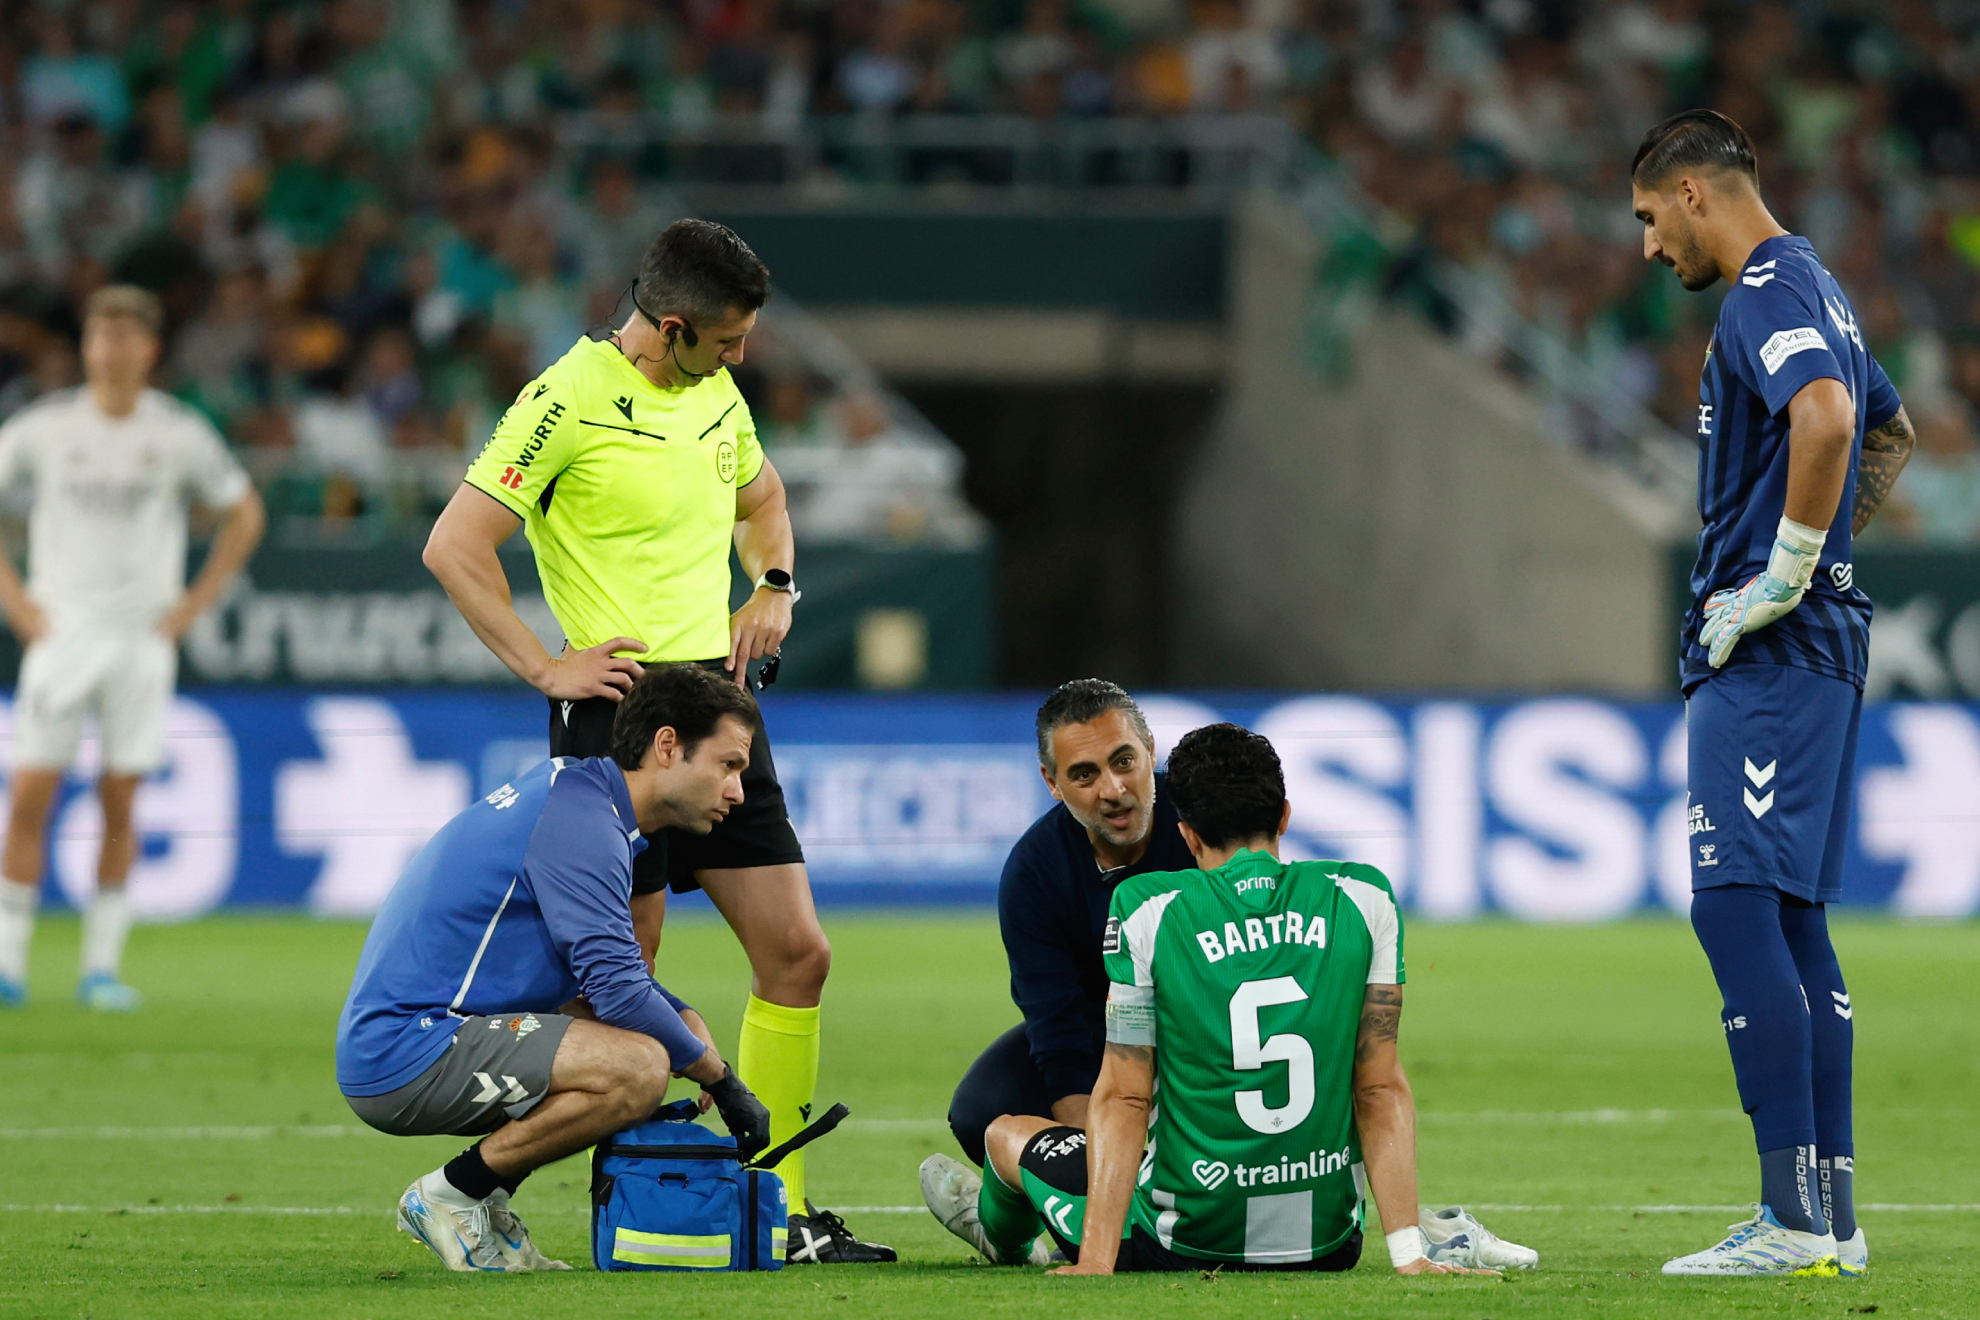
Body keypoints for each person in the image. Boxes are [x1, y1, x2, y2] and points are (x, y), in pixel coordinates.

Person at [421, 218, 891, 1263]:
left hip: (722, 712)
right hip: (617, 722)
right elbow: (454, 546)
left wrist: (774, 582)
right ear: (671, 327)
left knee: (797, 955)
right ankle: (599, 1204)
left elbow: (763, 499)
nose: (738, 362)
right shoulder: (564, 400)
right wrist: (547, 667)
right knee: (619, 980)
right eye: (723, 343)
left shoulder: (714, 394)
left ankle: (782, 1209)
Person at [920, 722, 1531, 1275]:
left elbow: (1126, 1096)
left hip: (1180, 1239)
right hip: (1329, 1245)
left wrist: (1098, 1261)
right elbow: (1378, 1087)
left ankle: (1004, 1235)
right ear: (1286, 815)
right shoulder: (1363, 896)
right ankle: (1426, 1235)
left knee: (1002, 1130)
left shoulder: (1148, 908)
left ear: (1185, 835)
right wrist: (1407, 1260)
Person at [1630, 109, 1913, 1279]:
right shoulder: (1823, 286)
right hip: (1820, 649)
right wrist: (1829, 556)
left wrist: (1785, 574)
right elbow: (1890, 431)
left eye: (1650, 219)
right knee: (1792, 920)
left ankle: (1790, 1219)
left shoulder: (1760, 292)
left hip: (1774, 650)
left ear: (1695, 194)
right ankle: (1830, 1220)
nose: (1650, 249)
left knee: (1735, 906)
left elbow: (1839, 421)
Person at [336, 664, 773, 1274]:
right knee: (638, 1069)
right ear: (667, 746)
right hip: (405, 1048)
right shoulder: (584, 823)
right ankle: (454, 1193)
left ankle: (486, 1201)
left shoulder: (580, 800)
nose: (738, 791)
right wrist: (720, 1079)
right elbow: (617, 991)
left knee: (647, 1046)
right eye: (728, 766)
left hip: (423, 1036)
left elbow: (598, 978)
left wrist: (682, 1016)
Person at [0, 284, 266, 1011]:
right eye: (101, 336)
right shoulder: (45, 429)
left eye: (126, 336)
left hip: (140, 638)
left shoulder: (177, 432)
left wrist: (191, 606)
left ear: (148, 349)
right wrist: (17, 603)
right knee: (31, 797)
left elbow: (244, 511)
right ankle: (10, 963)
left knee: (121, 799)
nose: (112, 350)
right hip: (61, 631)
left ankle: (99, 968)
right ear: (86, 347)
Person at [945, 679, 1194, 1170]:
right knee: (981, 1110)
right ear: (1052, 784)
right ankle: (1008, 1216)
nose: (1113, 790)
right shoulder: (1033, 873)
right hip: (1101, 1036)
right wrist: (1102, 1174)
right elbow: (1060, 1038)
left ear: (1150, 751)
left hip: (1210, 1033)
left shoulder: (1205, 823)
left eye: (1124, 761)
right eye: (1084, 775)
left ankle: (1026, 1197)